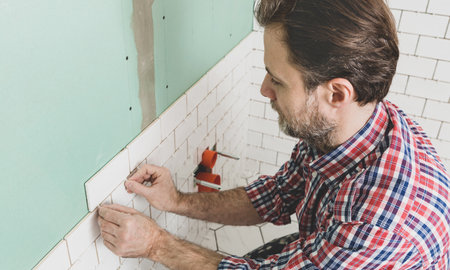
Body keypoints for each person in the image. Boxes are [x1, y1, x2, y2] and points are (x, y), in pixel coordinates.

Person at [97, 0, 450, 269]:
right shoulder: (346, 130)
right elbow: (278, 194)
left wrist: (155, 245)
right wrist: (176, 201)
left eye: (278, 80)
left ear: (337, 94)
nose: (265, 89)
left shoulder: (378, 230)